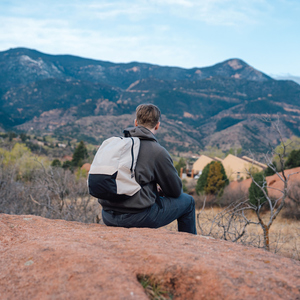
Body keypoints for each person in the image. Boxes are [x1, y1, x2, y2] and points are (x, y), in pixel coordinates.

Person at [100, 104, 197, 234]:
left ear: (135, 123)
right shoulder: (157, 151)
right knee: (188, 202)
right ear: (157, 125)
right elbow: (175, 191)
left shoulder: (119, 146)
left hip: (108, 215)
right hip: (137, 218)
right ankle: (189, 248)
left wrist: (150, 188)